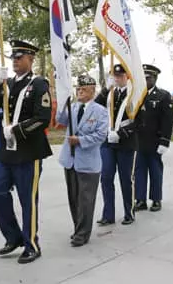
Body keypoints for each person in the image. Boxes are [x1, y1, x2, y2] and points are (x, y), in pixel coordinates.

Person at [0, 40, 52, 264]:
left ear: (31, 59)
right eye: (13, 56)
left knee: (27, 200)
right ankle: (13, 237)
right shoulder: (7, 82)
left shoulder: (39, 83)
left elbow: (42, 119)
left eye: (20, 57)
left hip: (28, 151)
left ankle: (31, 244)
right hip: (6, 153)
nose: (15, 60)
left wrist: (17, 129)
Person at [57, 74, 108, 247]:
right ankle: (77, 228)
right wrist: (62, 102)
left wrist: (80, 141)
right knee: (73, 198)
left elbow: (101, 135)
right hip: (70, 160)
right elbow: (60, 120)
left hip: (88, 163)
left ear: (92, 91)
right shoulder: (72, 107)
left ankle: (83, 233)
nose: (79, 91)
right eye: (78, 88)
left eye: (83, 89)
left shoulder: (100, 111)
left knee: (85, 200)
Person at [95, 64, 138, 225]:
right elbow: (96, 106)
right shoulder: (110, 93)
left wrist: (120, 133)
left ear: (127, 76)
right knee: (106, 177)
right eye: (115, 76)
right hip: (107, 141)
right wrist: (106, 89)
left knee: (126, 179)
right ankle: (108, 215)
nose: (118, 79)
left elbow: (139, 121)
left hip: (126, 142)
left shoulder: (134, 94)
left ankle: (129, 211)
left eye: (120, 76)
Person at [134, 64, 173, 212]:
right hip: (139, 141)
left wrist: (165, 141)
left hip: (155, 141)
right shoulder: (137, 95)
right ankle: (140, 199)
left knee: (155, 171)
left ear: (155, 79)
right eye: (143, 79)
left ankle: (156, 199)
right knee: (139, 171)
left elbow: (167, 121)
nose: (145, 81)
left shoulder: (163, 96)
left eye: (148, 78)